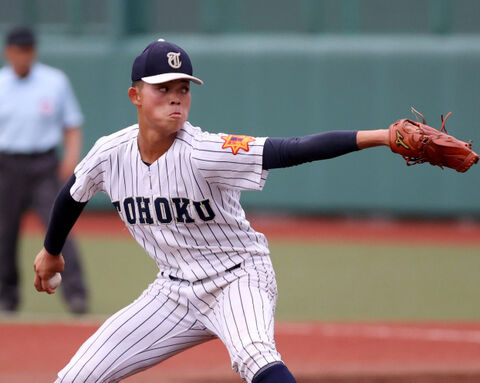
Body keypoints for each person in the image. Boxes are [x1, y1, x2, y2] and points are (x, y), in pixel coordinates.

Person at [33, 39, 390, 383]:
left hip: (238, 279)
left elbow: (293, 149)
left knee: (254, 354)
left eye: (184, 89)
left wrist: (383, 137)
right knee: (78, 376)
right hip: (172, 291)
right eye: (163, 88)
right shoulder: (109, 153)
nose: (176, 97)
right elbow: (72, 194)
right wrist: (51, 252)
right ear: (136, 95)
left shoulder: (205, 151)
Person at [0, 26, 88, 314]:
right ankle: (6, 296)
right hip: (8, 165)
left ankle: (77, 295)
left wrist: (71, 159)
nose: (24, 57)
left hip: (44, 164)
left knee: (59, 226)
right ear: (8, 52)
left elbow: (72, 124)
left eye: (29, 51)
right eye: (18, 51)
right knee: (4, 232)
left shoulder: (54, 81)